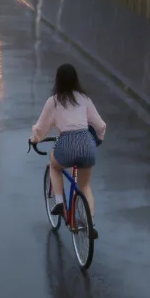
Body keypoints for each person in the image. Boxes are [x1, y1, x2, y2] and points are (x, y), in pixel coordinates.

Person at [31, 64, 106, 237]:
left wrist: (34, 140)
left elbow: (41, 128)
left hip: (67, 143)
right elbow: (101, 125)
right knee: (85, 186)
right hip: (87, 143)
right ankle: (90, 224)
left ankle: (59, 202)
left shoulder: (54, 101)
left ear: (57, 80)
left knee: (54, 164)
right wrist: (98, 140)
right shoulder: (84, 99)